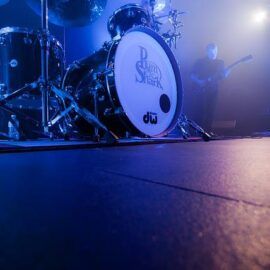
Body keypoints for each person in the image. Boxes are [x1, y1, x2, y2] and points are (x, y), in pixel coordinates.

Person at [190, 43, 230, 132]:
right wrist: (199, 82)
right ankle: (196, 132)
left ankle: (207, 132)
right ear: (207, 51)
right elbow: (192, 75)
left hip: (213, 90)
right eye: (212, 53)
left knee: (211, 112)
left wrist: (226, 74)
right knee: (199, 112)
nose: (214, 54)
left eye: (215, 52)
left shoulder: (220, 62)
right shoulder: (200, 62)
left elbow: (221, 76)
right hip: (200, 91)